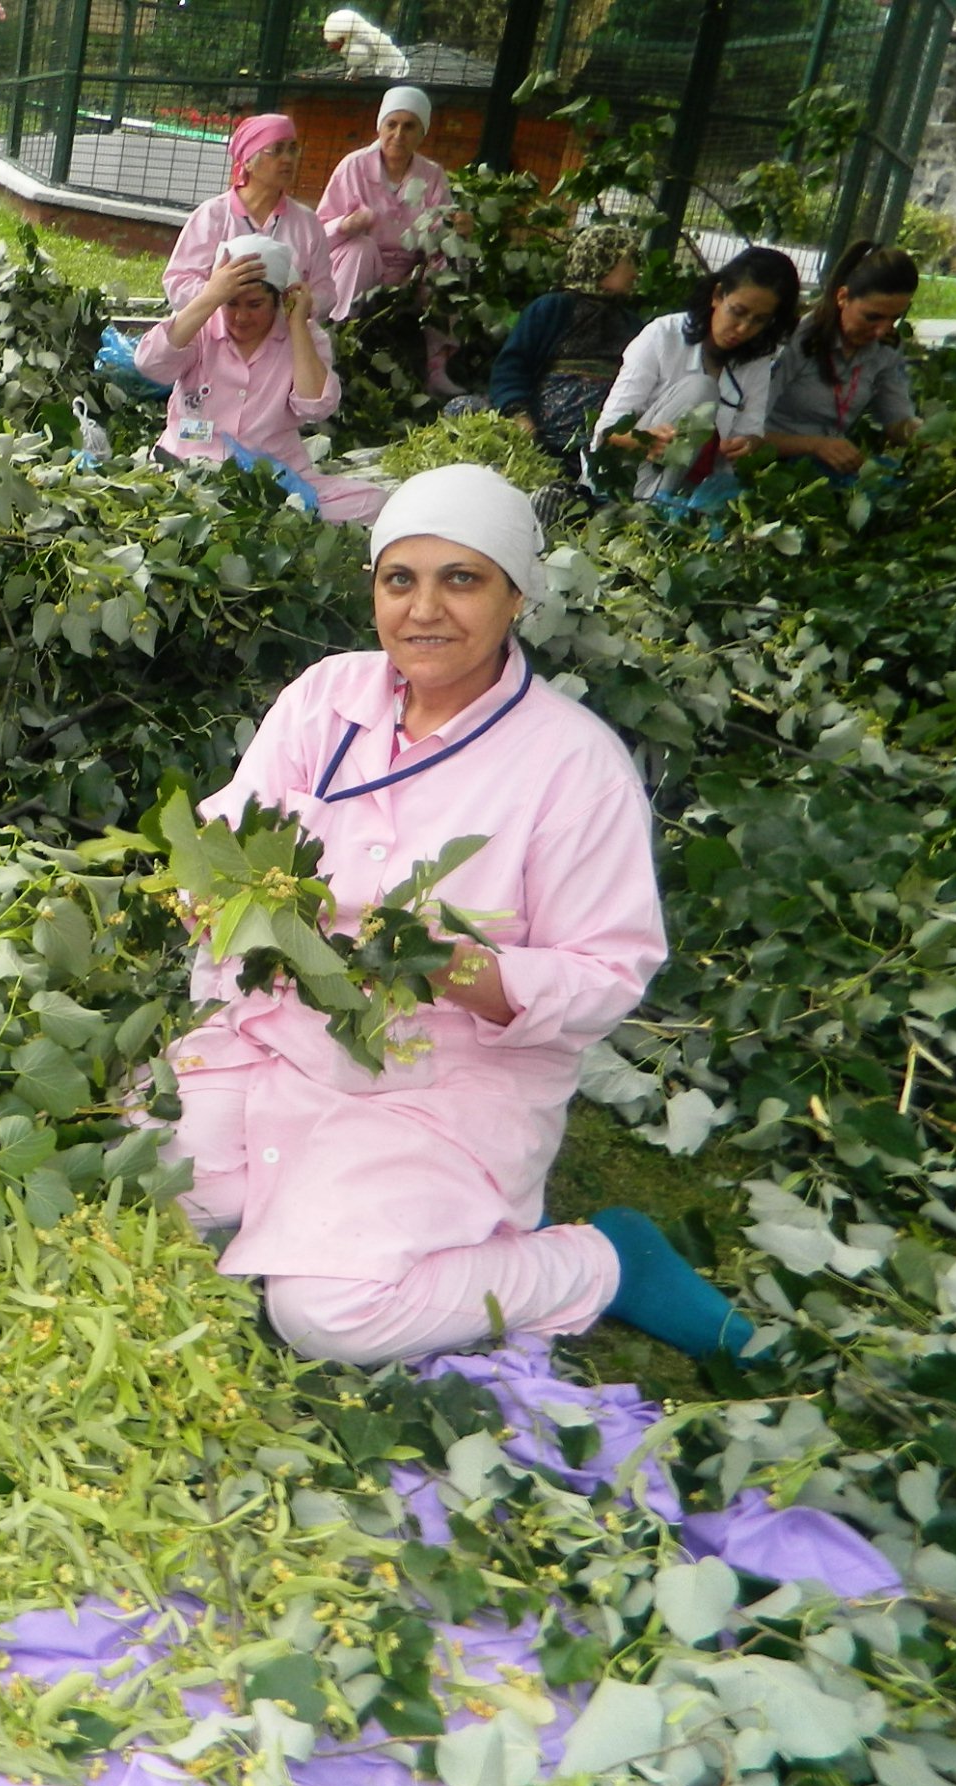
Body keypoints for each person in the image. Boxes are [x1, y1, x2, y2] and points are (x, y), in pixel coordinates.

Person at [166, 463, 755, 1367]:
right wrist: (209, 885)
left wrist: (455, 967)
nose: (424, 610)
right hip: (278, 1032)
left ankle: (601, 1263)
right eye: (399, 579)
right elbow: (230, 828)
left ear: (516, 595)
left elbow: (609, 973)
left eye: (462, 579)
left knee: (326, 1313)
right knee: (161, 1194)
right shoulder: (327, 697)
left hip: (441, 1075)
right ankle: (311, 1206)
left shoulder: (572, 764)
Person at [136, 233, 385, 524]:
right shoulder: (200, 326)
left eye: (254, 305)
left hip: (276, 478)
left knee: (374, 502)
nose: (241, 317)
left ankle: (267, 516)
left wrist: (298, 325)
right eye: (231, 304)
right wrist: (209, 297)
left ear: (280, 300)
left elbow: (316, 406)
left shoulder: (304, 336)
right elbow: (150, 364)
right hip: (189, 471)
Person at [594, 245, 800, 502]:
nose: (743, 328)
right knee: (702, 389)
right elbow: (606, 432)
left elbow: (752, 430)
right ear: (717, 295)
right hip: (624, 481)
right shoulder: (662, 335)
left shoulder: (756, 359)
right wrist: (645, 440)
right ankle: (652, 505)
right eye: (738, 312)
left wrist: (747, 444)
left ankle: (671, 506)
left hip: (695, 486)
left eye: (759, 320)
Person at [315, 84, 460, 394]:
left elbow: (442, 230)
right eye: (391, 124)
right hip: (358, 268)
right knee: (362, 247)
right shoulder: (353, 167)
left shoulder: (432, 175)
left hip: (409, 273)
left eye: (409, 126)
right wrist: (347, 224)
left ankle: (436, 363)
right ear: (379, 126)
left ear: (422, 133)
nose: (398, 134)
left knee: (449, 263)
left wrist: (456, 229)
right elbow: (318, 235)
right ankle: (337, 340)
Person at [481, 224, 646, 464]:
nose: (634, 273)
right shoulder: (553, 309)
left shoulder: (631, 325)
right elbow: (511, 367)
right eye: (628, 261)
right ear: (603, 262)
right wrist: (519, 416)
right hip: (535, 443)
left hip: (594, 452)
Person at [761, 241, 921, 475]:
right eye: (872, 317)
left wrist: (924, 434)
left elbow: (896, 418)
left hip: (824, 471)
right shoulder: (797, 340)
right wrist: (815, 446)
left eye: (895, 318)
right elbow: (742, 433)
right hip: (767, 467)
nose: (882, 330)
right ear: (843, 297)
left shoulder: (886, 347)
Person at [165, 114, 339, 325]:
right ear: (248, 161)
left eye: (293, 149)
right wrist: (221, 296)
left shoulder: (307, 222)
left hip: (283, 334)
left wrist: (304, 303)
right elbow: (178, 282)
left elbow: (325, 290)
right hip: (215, 330)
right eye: (277, 150)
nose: (288, 159)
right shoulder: (213, 215)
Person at [324, 6, 411, 77]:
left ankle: (354, 69)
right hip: (352, 37)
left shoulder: (350, 36)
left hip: (362, 40)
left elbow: (367, 39)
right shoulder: (335, 32)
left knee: (356, 52)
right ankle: (354, 70)